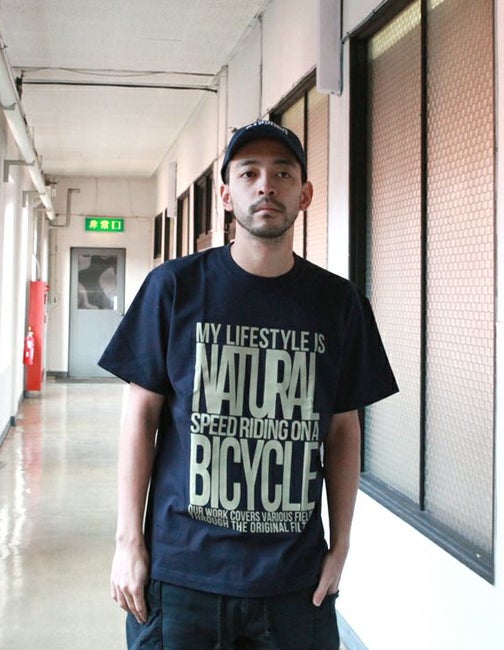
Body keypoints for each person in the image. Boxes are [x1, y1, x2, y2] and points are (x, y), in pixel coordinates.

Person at [99, 119, 398, 649]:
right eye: (249, 173)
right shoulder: (173, 289)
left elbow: (343, 430)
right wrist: (128, 542)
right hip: (182, 574)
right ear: (225, 195)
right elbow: (140, 419)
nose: (266, 186)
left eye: (283, 174)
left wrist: (341, 545)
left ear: (304, 194)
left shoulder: (339, 304)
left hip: (293, 584)